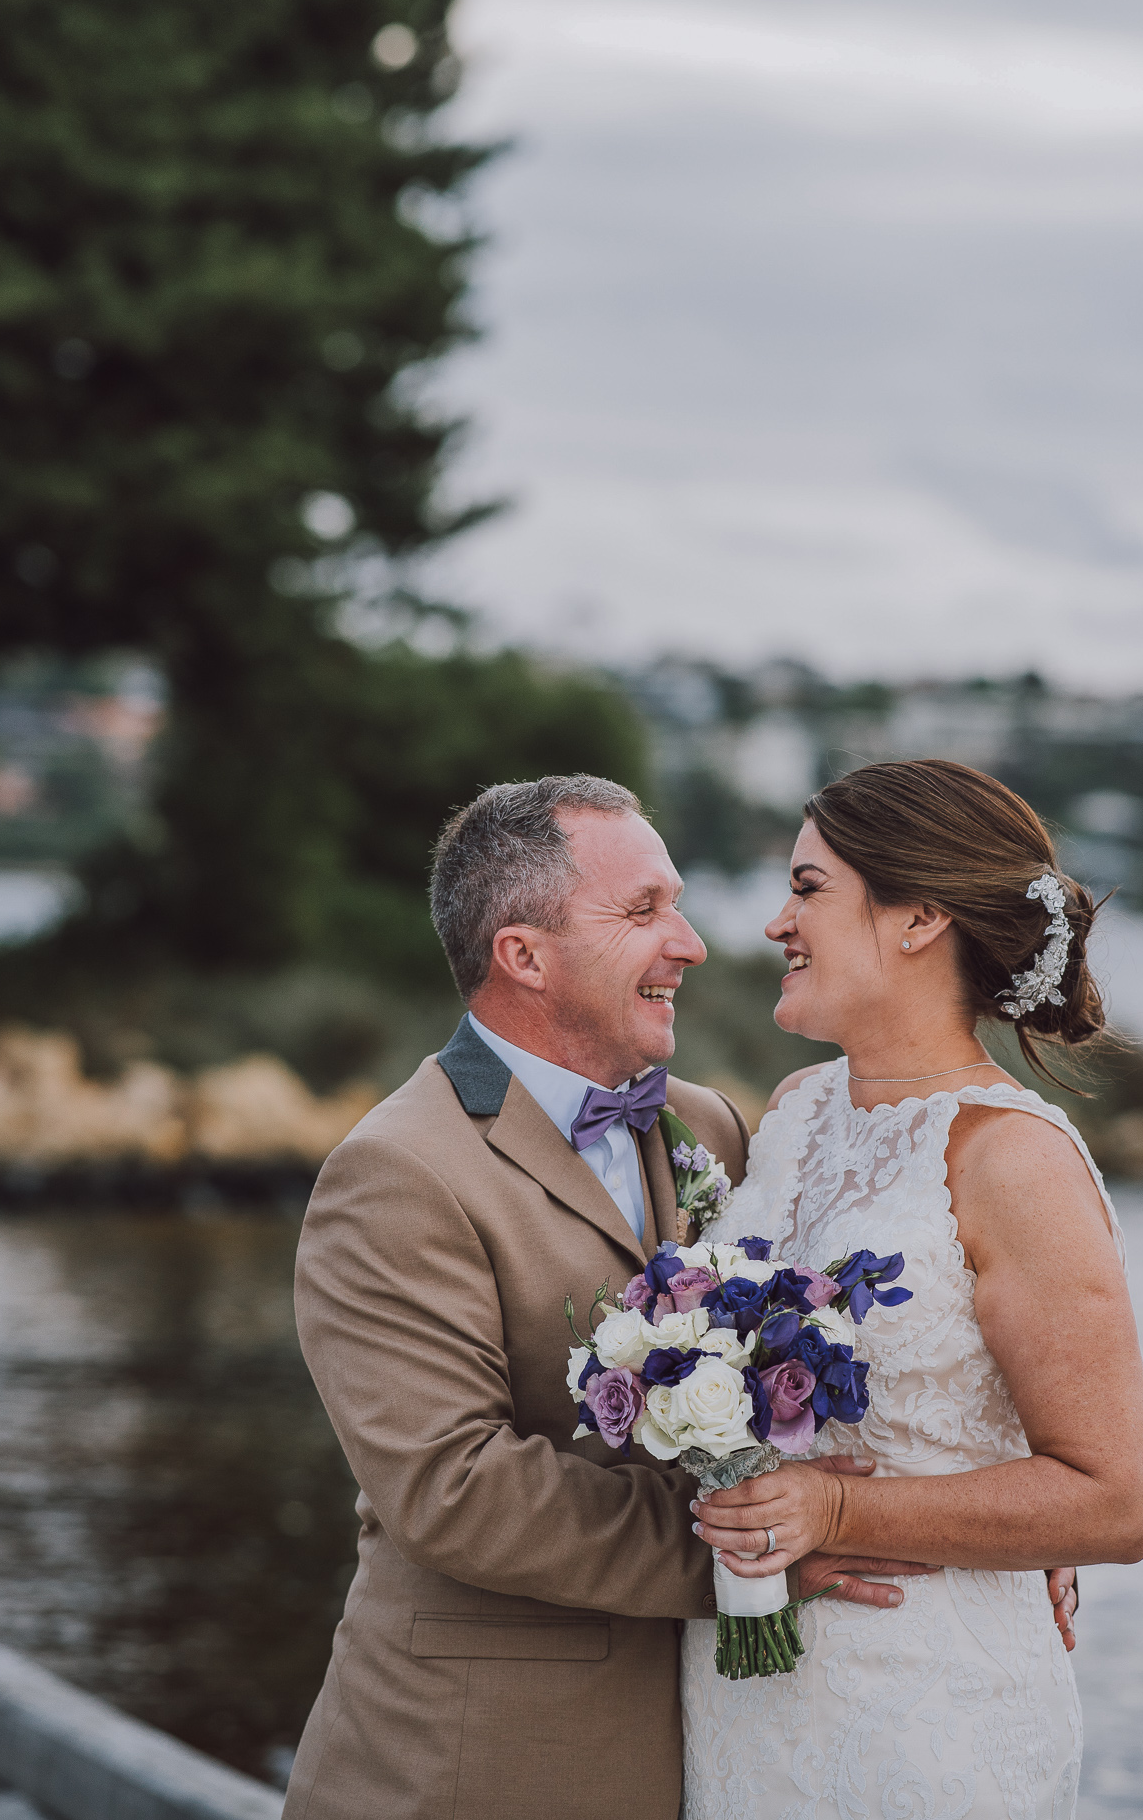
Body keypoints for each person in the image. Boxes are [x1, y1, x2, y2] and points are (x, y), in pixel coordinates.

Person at [283, 774, 909, 1820]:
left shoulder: (706, 1126)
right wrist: (758, 1546)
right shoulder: (395, 1171)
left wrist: (1005, 1531)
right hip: (476, 1761)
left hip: (713, 1743)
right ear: (522, 955)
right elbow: (453, 1487)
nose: (692, 943)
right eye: (643, 910)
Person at [681, 759, 1143, 1820]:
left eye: (808, 888)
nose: (775, 922)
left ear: (916, 917)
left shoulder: (1012, 1159)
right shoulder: (799, 1110)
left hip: (923, 1714)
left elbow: (1115, 1499)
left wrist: (845, 1504)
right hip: (744, 1696)